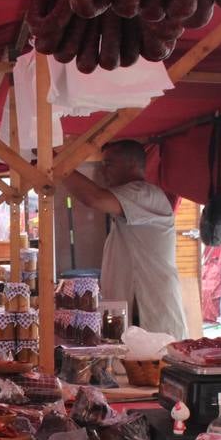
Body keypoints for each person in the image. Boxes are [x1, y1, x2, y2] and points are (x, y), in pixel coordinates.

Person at [62, 139, 187, 338]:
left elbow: (94, 198)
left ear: (132, 165)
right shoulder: (131, 203)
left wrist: (58, 164)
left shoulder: (145, 194)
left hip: (150, 320)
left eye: (108, 165)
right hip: (135, 319)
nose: (103, 172)